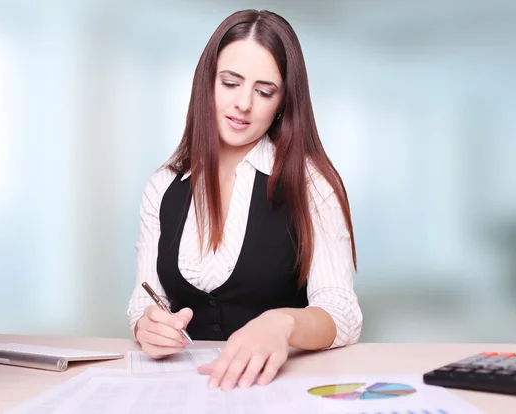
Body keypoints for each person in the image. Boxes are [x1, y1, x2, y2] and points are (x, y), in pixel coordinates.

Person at [126, 9, 362, 391]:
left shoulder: (310, 183)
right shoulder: (163, 185)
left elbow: (343, 313)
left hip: (278, 391)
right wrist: (145, 324)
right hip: (184, 391)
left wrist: (283, 323)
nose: (243, 104)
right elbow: (144, 297)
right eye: (230, 83)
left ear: (284, 100)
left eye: (264, 91)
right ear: (207, 83)